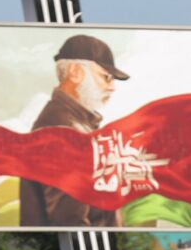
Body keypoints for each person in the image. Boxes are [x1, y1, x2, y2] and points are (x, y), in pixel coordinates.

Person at [20, 34, 127, 227]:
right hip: (83, 249)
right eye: (106, 77)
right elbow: (68, 219)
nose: (112, 88)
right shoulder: (64, 130)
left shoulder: (75, 123)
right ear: (75, 72)